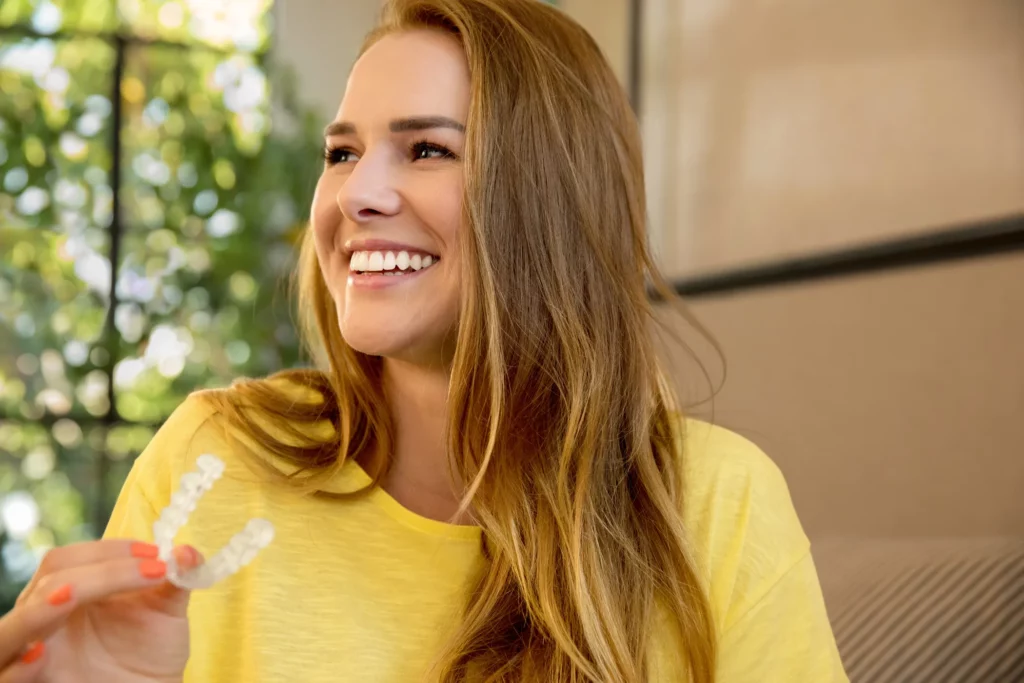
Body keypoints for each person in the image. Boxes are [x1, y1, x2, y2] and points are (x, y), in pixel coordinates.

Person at [1, 0, 848, 680]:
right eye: (342, 152)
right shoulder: (219, 455)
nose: (356, 193)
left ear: (548, 197)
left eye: (426, 149)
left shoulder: (715, 508)